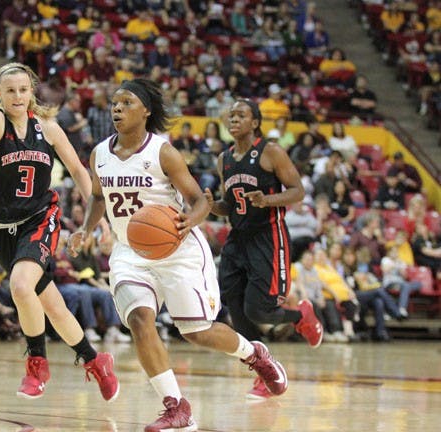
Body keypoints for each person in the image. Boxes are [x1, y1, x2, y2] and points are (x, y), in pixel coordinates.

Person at [68, 79, 288, 431]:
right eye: (115, 103)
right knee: (140, 320)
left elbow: (200, 199)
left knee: (196, 331)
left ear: (146, 111)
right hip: (129, 252)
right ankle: (176, 406)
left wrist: (190, 222)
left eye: (126, 102)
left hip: (176, 249)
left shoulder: (163, 152)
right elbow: (97, 197)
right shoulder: (99, 154)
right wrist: (87, 229)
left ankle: (255, 355)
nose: (117, 109)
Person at [0, 62, 118, 401]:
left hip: (40, 218)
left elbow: (77, 169)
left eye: (23, 90)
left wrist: (97, 216)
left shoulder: (49, 128)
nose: (17, 96)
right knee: (51, 305)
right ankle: (95, 359)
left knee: (20, 285)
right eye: (9, 90)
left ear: (32, 92)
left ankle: (37, 363)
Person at [208, 98, 323, 396]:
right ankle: (263, 368)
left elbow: (298, 191)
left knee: (259, 310)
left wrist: (268, 200)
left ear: (255, 122)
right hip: (237, 240)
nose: (233, 119)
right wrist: (212, 206)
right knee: (234, 304)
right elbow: (230, 205)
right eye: (231, 115)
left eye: (241, 115)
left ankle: (301, 317)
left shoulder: (270, 151)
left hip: (268, 236)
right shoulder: (225, 159)